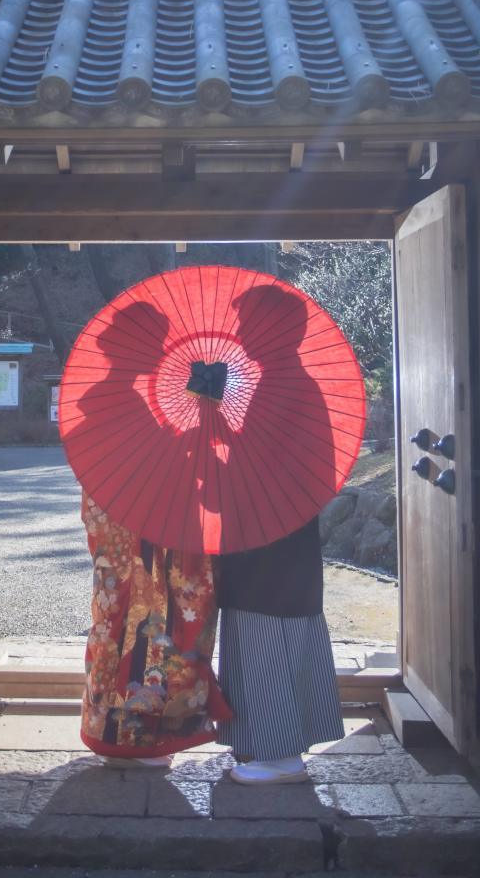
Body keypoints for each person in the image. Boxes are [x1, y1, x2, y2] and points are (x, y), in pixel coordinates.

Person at [66, 302, 231, 764]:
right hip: (134, 534)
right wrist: (200, 419)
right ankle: (135, 735)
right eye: (153, 345)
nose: (158, 353)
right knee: (143, 625)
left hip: (134, 530)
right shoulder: (113, 397)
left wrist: (201, 416)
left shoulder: (114, 394)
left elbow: (158, 458)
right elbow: (150, 464)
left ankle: (123, 730)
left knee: (132, 626)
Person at [216, 285, 345, 785]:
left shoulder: (280, 384)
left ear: (274, 331)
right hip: (280, 527)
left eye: (248, 326)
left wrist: (220, 439)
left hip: (269, 532)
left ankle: (280, 755)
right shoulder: (284, 381)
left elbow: (253, 464)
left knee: (264, 632)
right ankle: (266, 746)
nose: (243, 336)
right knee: (270, 631)